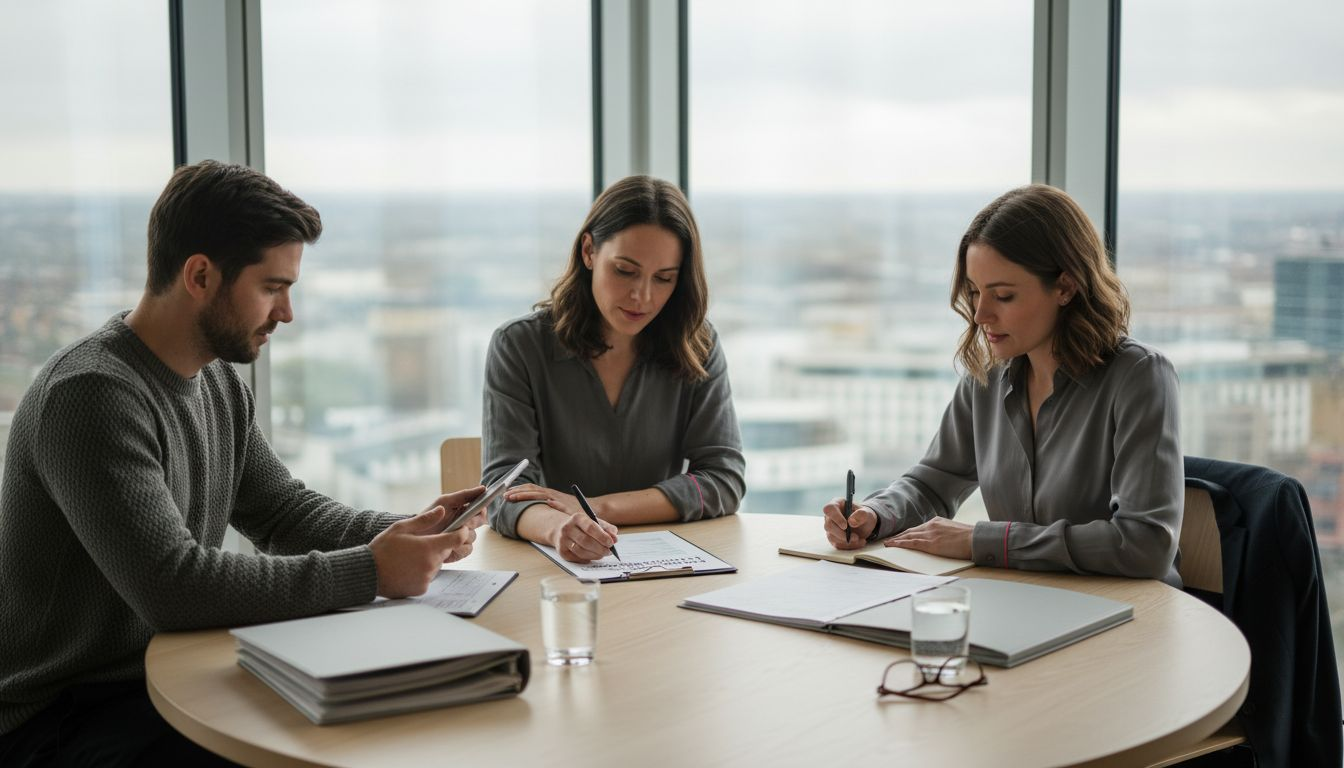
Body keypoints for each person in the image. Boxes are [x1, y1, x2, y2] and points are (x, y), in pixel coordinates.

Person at [0, 160, 487, 766]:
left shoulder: (217, 383)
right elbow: (173, 588)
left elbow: (282, 511)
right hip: (64, 713)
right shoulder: (90, 395)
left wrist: (413, 530)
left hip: (168, 676)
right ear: (201, 275)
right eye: (272, 288)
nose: (286, 314)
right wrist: (372, 570)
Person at [822, 184, 1183, 585]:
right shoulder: (988, 376)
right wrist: (874, 515)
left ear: (1065, 287)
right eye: (975, 292)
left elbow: (1145, 544)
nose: (979, 315)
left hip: (1131, 613)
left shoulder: (1140, 376)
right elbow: (932, 483)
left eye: (1004, 295)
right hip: (1026, 601)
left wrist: (984, 540)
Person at [482, 175, 745, 563]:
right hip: (551, 570)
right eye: (625, 271)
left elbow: (723, 480)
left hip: (662, 570)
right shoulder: (518, 346)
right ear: (589, 251)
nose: (643, 296)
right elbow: (505, 494)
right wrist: (562, 529)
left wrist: (594, 510)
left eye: (664, 279)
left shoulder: (698, 345)